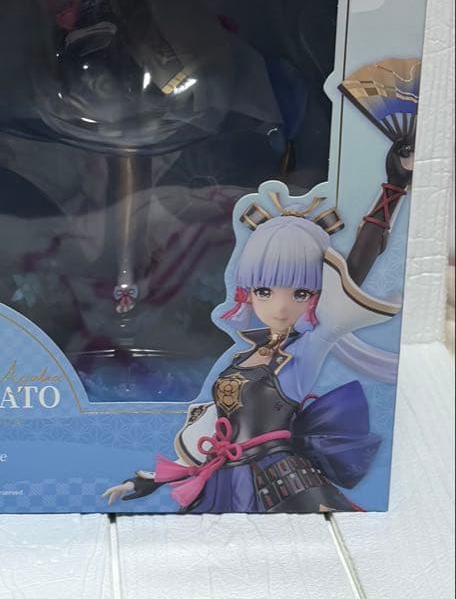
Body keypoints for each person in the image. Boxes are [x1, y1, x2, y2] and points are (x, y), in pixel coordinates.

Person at [101, 143, 410, 513]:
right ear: (247, 292)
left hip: (280, 478)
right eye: (264, 291)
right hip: (225, 477)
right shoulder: (241, 358)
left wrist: (393, 187)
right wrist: (147, 480)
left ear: (316, 295)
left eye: (300, 293)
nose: (280, 307)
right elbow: (210, 433)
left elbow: (352, 275)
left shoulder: (306, 350)